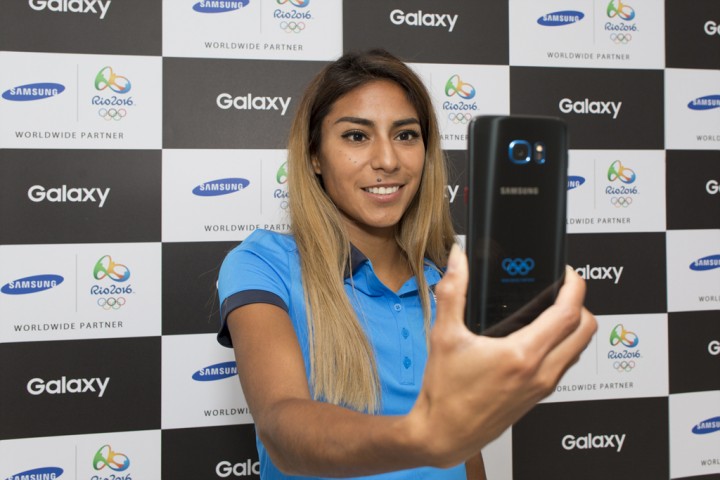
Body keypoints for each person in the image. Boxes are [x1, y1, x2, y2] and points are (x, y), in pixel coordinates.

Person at [217, 49, 597, 479]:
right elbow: (281, 425)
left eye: (405, 135)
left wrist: (448, 437)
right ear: (315, 156)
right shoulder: (263, 263)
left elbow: (465, 451)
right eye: (356, 136)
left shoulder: (449, 280)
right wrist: (424, 437)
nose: (388, 160)